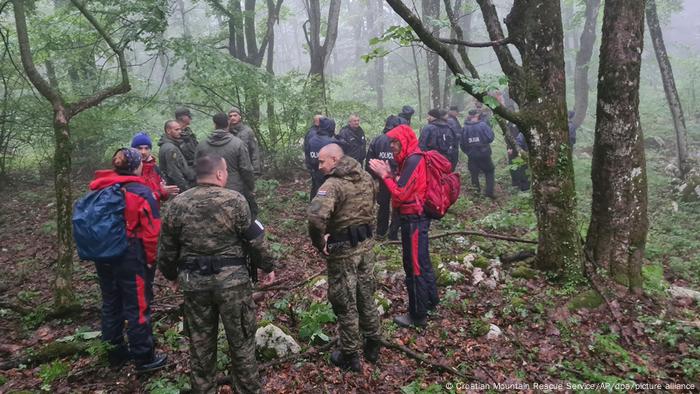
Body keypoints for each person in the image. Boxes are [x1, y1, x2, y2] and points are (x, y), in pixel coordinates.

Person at [158, 154, 275, 394]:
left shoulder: (177, 204)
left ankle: (203, 389)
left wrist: (171, 275)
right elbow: (255, 240)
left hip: (194, 284)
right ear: (220, 174)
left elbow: (167, 248)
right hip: (232, 284)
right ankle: (248, 389)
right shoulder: (235, 200)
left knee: (200, 345)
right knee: (242, 342)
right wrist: (268, 265)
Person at [89, 148, 167, 373]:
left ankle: (114, 352)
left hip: (103, 253)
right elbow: (152, 232)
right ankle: (144, 357)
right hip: (130, 254)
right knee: (138, 305)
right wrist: (151, 260)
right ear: (136, 166)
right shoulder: (140, 192)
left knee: (111, 303)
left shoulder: (100, 187)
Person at [307, 144, 382, 372]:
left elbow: (315, 219)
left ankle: (350, 354)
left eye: (322, 162)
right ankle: (373, 342)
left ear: (335, 159)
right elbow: (373, 202)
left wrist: (320, 243)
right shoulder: (366, 177)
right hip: (366, 246)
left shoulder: (332, 185)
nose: (319, 166)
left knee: (344, 301)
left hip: (343, 251)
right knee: (365, 293)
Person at [368, 125, 439, 329]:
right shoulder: (410, 159)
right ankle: (431, 301)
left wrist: (386, 176)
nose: (392, 146)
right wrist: (391, 174)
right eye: (390, 142)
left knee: (414, 265)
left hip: (414, 220)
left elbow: (399, 194)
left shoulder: (414, 159)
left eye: (396, 142)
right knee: (422, 261)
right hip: (416, 218)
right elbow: (407, 187)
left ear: (405, 140)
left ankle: (417, 315)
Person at [196, 113, 258, 217]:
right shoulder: (238, 144)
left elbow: (197, 168)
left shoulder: (202, 145)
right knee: (238, 217)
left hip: (209, 191)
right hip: (235, 189)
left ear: (214, 124)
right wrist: (251, 187)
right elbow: (246, 169)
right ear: (228, 123)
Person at [365, 115, 405, 240]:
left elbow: (369, 160)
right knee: (397, 205)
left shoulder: (378, 140)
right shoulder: (400, 140)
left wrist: (372, 176)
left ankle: (381, 232)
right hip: (398, 178)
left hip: (383, 178)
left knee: (383, 204)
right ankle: (392, 234)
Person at [131, 132, 179, 203]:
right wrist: (160, 192)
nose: (143, 152)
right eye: (139, 148)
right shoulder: (129, 169)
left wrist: (165, 192)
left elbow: (163, 196)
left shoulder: (155, 169)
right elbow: (134, 198)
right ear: (133, 150)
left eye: (146, 148)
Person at [461, 109, 496, 198]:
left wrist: (468, 151)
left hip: (472, 155)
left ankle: (476, 193)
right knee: (489, 171)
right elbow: (490, 137)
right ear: (476, 115)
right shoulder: (483, 125)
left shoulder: (465, 127)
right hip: (484, 154)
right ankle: (489, 193)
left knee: (474, 173)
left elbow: (462, 144)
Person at [158, 120, 196, 193]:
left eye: (180, 129)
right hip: (176, 189)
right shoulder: (170, 148)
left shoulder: (172, 145)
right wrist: (186, 191)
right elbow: (175, 173)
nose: (180, 132)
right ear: (168, 131)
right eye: (176, 130)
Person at [305, 117, 336, 199]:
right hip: (326, 172)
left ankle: (313, 207)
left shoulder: (312, 139)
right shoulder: (330, 142)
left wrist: (310, 167)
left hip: (314, 170)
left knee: (315, 189)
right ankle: (319, 208)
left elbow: (307, 152)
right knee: (323, 192)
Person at [228, 107, 262, 176]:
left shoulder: (248, 131)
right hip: (231, 169)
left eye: (235, 115)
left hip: (246, 168)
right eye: (230, 116)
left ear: (240, 116)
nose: (232, 118)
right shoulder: (226, 132)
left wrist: (256, 170)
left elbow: (254, 151)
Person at [507, 123, 530, 191]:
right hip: (519, 149)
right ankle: (519, 184)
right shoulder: (509, 124)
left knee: (523, 167)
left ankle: (523, 185)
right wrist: (510, 147)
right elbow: (507, 136)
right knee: (519, 166)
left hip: (522, 149)